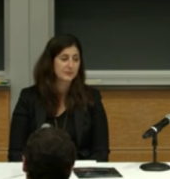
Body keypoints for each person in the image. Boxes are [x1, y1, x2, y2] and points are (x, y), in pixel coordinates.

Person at [8, 34, 110, 162]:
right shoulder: (28, 98)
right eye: (64, 58)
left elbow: (101, 153)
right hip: (41, 173)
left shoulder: (91, 97)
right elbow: (16, 153)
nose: (71, 65)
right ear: (50, 62)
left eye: (76, 59)